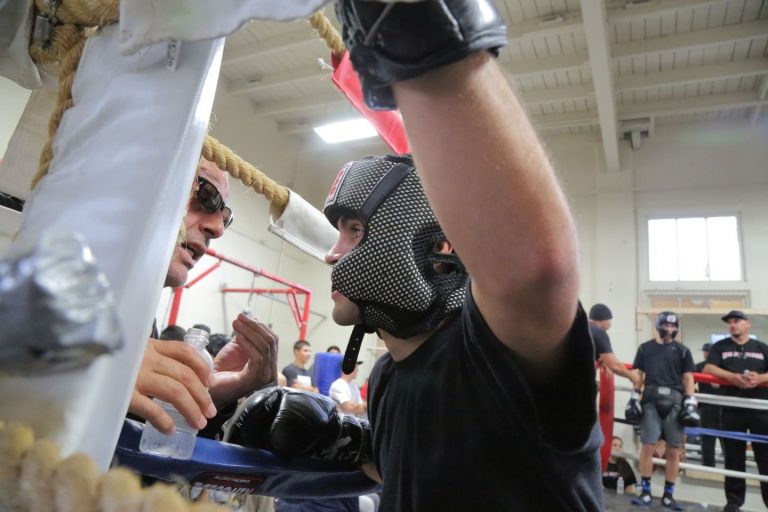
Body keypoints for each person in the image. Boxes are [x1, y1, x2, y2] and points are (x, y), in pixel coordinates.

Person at [225, 1, 603, 509]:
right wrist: (331, 440)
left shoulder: (493, 353)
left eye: (355, 230)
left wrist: (419, 31)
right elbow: (392, 467)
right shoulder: (388, 374)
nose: (333, 255)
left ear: (428, 243)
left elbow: (538, 272)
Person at [128, 158, 278, 437]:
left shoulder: (137, 322)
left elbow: (135, 460)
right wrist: (95, 367)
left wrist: (206, 392)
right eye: (204, 194)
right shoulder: (43, 283)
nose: (218, 229)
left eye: (225, 216)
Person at [628, 311, 698, 509]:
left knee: (674, 450)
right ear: (659, 325)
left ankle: (669, 495)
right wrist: (634, 395)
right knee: (648, 446)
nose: (670, 329)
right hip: (650, 400)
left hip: (675, 402)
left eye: (673, 326)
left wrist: (691, 400)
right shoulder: (644, 349)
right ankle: (646, 492)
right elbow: (639, 374)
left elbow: (688, 377)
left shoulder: (683, 350)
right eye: (666, 325)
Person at [704, 310, 768, 512]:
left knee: (765, 458)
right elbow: (709, 368)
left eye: (737, 321)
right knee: (733, 457)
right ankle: (733, 502)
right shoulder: (720, 347)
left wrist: (761, 379)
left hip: (760, 411)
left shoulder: (762, 347)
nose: (733, 325)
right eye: (730, 322)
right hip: (732, 409)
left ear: (747, 324)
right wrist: (732, 377)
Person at [589, 303, 641, 386]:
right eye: (610, 320)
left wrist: (603, 361)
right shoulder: (599, 333)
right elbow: (614, 366)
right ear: (603, 319)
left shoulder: (579, 327)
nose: (610, 324)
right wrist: (632, 376)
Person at [695, 342, 722, 467]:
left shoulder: (723, 367)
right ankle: (708, 467)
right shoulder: (699, 366)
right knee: (707, 440)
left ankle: (732, 468)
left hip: (724, 408)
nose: (706, 354)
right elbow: (688, 380)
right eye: (705, 351)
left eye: (708, 351)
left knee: (726, 439)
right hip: (707, 407)